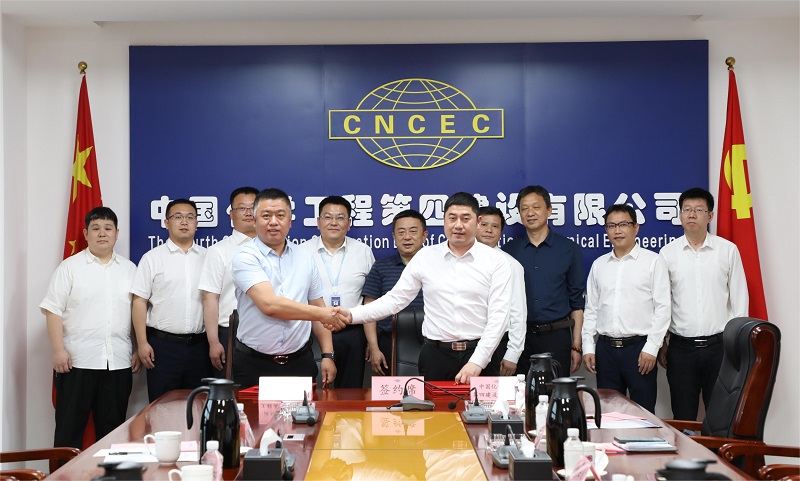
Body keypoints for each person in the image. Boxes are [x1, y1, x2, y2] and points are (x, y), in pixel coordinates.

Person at [335, 192, 512, 383]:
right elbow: (395, 300)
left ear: (478, 221)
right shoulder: (426, 257)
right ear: (444, 220)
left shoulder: (496, 261)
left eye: (465, 218)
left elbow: (499, 318)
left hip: (481, 355)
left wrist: (477, 361)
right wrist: (350, 315)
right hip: (436, 356)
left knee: (481, 404)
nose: (458, 225)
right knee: (432, 404)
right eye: (452, 218)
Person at [41, 207, 138, 449]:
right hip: (77, 362)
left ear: (117, 233)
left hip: (118, 362)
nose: (102, 233)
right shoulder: (70, 267)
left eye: (108, 228)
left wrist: (137, 348)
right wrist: (58, 350)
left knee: (113, 435)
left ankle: (108, 472)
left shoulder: (130, 270)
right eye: (95, 228)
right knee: (68, 431)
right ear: (86, 233)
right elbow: (53, 310)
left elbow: (138, 313)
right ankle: (64, 472)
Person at [231, 188, 345, 390]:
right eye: (266, 215)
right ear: (255, 220)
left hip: (299, 361)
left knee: (304, 412)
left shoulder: (305, 258)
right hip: (254, 363)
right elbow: (270, 305)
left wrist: (328, 354)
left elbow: (317, 304)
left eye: (280, 215)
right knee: (252, 413)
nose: (273, 222)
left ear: (290, 221)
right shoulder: (245, 257)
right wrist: (323, 314)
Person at [658, 187, 748, 420]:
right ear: (680, 215)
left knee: (720, 417)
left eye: (698, 210)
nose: (691, 214)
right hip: (681, 349)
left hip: (719, 349)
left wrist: (737, 347)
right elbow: (663, 303)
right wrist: (663, 342)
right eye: (686, 209)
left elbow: (740, 300)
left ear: (710, 215)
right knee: (683, 416)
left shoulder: (727, 250)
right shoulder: (667, 254)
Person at [581, 204, 670, 413]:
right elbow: (591, 309)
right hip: (606, 350)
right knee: (608, 413)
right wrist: (588, 347)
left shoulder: (653, 262)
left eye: (623, 224)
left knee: (643, 415)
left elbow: (663, 308)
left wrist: (652, 348)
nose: (617, 230)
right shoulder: (599, 265)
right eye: (611, 226)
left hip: (639, 350)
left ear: (636, 228)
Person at [131, 198, 210, 403]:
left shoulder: (209, 257)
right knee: (161, 408)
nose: (184, 222)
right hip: (162, 348)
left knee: (199, 408)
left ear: (196, 223)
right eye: (178, 217)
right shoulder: (152, 258)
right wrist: (142, 343)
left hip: (201, 348)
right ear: (167, 223)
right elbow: (139, 302)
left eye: (190, 217)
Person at [503, 185, 585, 377]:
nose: (530, 213)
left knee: (555, 392)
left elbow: (576, 302)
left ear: (549, 210)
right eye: (524, 208)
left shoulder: (568, 249)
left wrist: (576, 345)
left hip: (556, 337)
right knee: (519, 393)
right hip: (519, 338)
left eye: (536, 207)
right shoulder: (509, 252)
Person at [299, 196, 375, 388]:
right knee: (315, 390)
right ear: (318, 222)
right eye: (328, 217)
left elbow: (371, 298)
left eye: (340, 218)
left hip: (353, 332)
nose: (334, 222)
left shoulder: (363, 251)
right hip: (313, 331)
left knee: (351, 392)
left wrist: (370, 341)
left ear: (349, 224)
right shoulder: (301, 253)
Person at [198, 186, 259, 378]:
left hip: (268, 331)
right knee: (232, 390)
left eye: (253, 207)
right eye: (242, 208)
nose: (248, 213)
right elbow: (210, 298)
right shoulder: (219, 251)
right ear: (231, 214)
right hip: (230, 332)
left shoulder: (275, 248)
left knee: (265, 391)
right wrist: (214, 341)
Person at [362, 209, 427, 375]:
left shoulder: (436, 266)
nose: (407, 237)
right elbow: (369, 307)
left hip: (431, 342)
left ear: (424, 236)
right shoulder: (381, 267)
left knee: (432, 388)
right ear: (394, 237)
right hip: (389, 340)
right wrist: (374, 347)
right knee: (393, 389)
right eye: (401, 232)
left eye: (413, 231)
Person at [477, 206, 527, 376]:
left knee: (490, 391)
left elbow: (518, 312)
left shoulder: (511, 265)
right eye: (484, 225)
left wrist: (513, 353)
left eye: (495, 226)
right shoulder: (461, 261)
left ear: (501, 232)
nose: (489, 230)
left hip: (498, 343)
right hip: (465, 342)